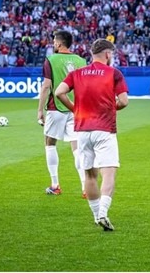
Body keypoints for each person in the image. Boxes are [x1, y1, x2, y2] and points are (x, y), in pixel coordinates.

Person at [54, 39, 129, 231]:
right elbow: (124, 101)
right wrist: (112, 109)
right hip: (104, 129)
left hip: (82, 131)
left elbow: (59, 92)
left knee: (89, 175)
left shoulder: (77, 73)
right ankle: (103, 212)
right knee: (108, 172)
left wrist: (75, 109)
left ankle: (97, 216)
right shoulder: (114, 73)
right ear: (107, 54)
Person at [37, 31, 87, 197]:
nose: (53, 44)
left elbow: (46, 86)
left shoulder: (51, 60)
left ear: (59, 44)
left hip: (56, 107)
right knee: (77, 147)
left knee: (50, 143)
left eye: (54, 41)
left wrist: (39, 110)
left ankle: (55, 185)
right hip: (76, 108)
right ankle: (85, 188)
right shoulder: (81, 61)